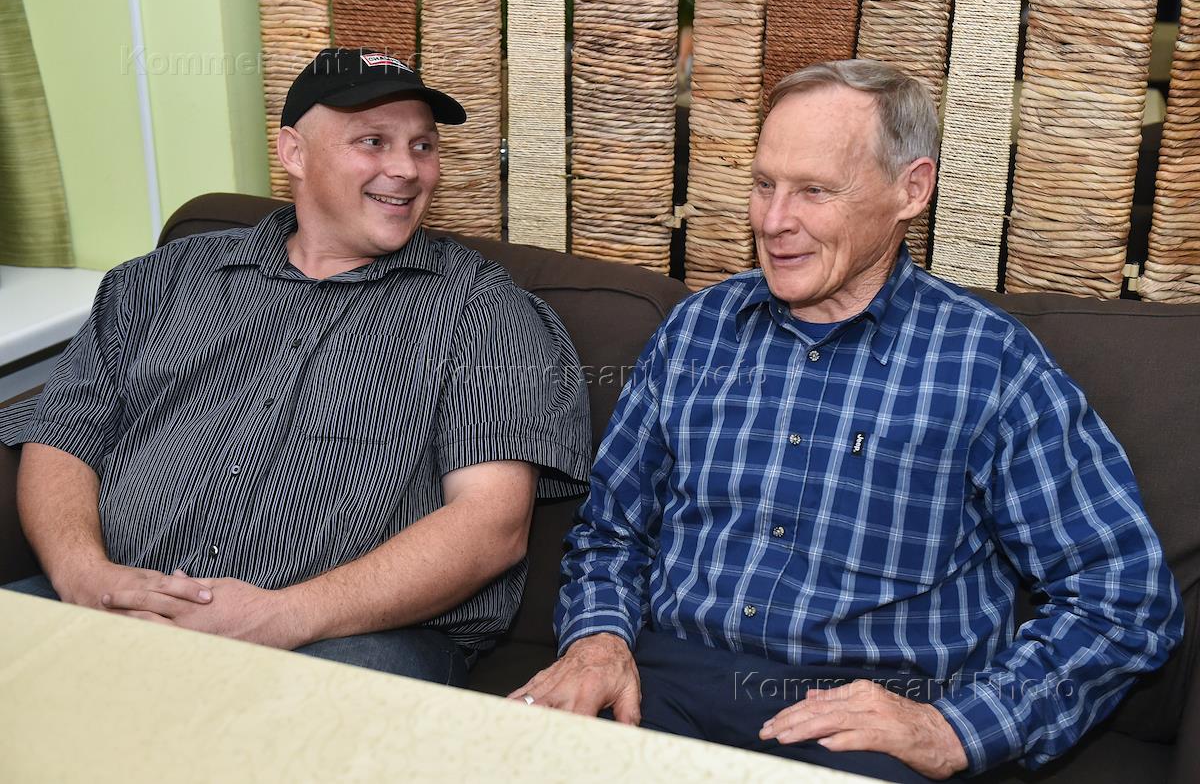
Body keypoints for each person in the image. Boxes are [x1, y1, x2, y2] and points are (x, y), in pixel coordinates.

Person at [512, 60, 1183, 782]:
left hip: (867, 719)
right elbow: (610, 533)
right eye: (764, 184)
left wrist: (953, 729)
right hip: (665, 687)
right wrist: (598, 641)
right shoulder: (697, 331)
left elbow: (1124, 598)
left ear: (911, 190)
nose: (774, 221)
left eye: (815, 191)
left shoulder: (987, 363)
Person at [0, 48, 592, 685]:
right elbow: (60, 437)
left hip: (350, 638)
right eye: (373, 141)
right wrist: (84, 575)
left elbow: (490, 525)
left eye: (423, 146)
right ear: (294, 153)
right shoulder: (162, 278)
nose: (406, 168)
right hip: (120, 601)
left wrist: (279, 617)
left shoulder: (484, 309)